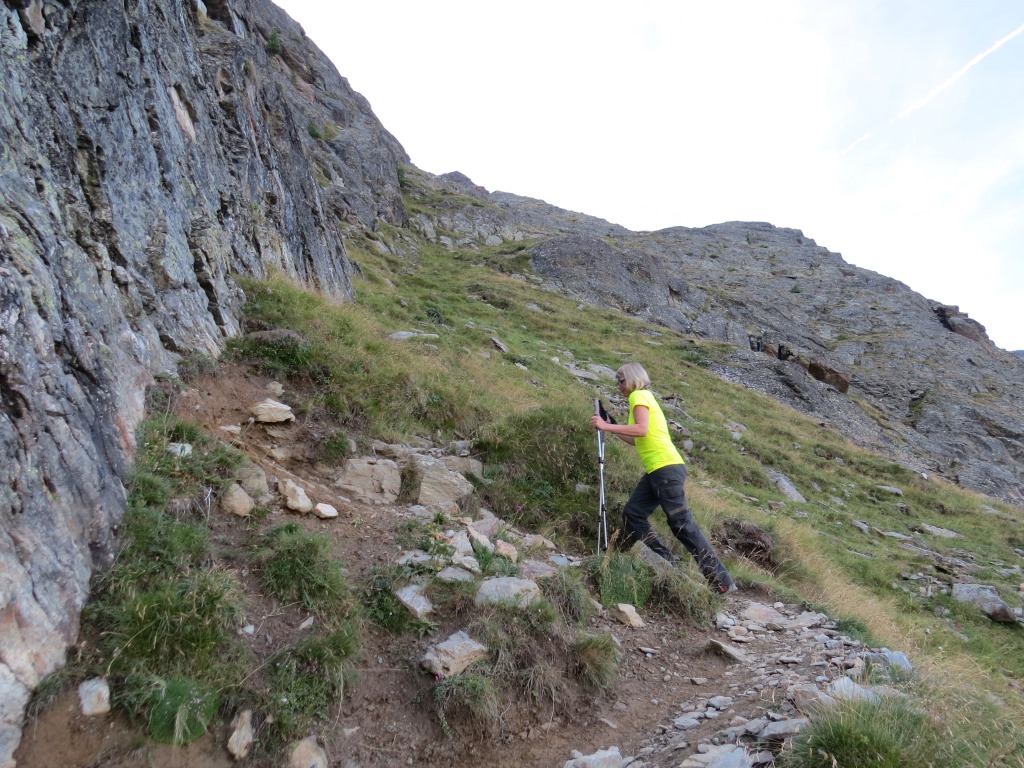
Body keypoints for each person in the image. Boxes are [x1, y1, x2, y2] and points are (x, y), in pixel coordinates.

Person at [591, 362, 736, 594]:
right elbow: (637, 438)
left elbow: (641, 430)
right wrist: (612, 426)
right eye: (616, 382)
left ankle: (722, 581)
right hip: (658, 470)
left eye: (621, 381)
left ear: (632, 379)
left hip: (665, 469)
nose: (618, 386)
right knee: (633, 513)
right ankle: (666, 561)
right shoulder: (642, 398)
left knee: (682, 525)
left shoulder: (638, 396)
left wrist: (606, 428)